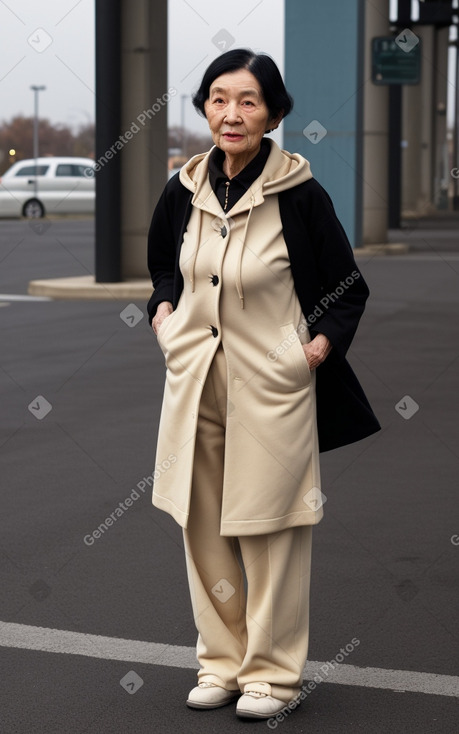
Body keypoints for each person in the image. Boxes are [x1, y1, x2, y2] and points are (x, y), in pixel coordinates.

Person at [147, 48, 380, 721]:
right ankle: (219, 663)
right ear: (204, 109)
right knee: (203, 530)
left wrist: (312, 350)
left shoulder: (300, 196)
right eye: (218, 98)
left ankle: (272, 677)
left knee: (272, 534)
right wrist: (164, 313)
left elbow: (345, 287)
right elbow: (165, 264)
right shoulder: (182, 188)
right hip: (194, 389)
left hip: (272, 393)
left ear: (273, 114)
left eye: (248, 100)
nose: (231, 113)